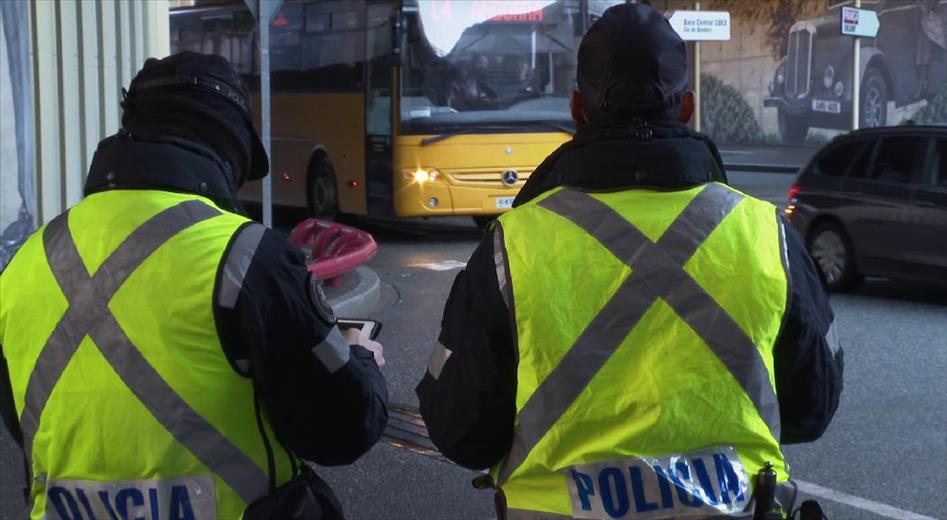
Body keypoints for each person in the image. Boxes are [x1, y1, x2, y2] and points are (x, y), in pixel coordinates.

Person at [416, 4, 843, 519]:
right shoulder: (766, 234)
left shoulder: (512, 245)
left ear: (577, 108)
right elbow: (811, 410)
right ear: (687, 108)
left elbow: (460, 432)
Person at [0, 52, 388, 519]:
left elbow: (21, 417)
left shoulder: (26, 260)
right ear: (229, 151)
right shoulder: (245, 256)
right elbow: (341, 428)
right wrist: (361, 357)